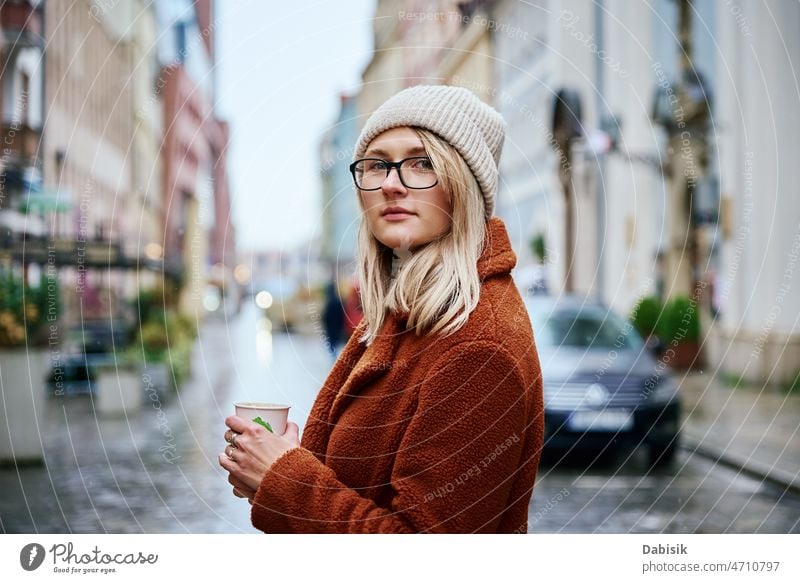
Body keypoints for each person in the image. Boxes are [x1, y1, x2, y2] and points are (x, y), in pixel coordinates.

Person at [220, 85, 544, 533]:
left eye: (422, 162)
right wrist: (275, 468)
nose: (390, 183)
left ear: (464, 186)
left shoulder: (478, 344)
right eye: (375, 165)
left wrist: (286, 479)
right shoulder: (406, 311)